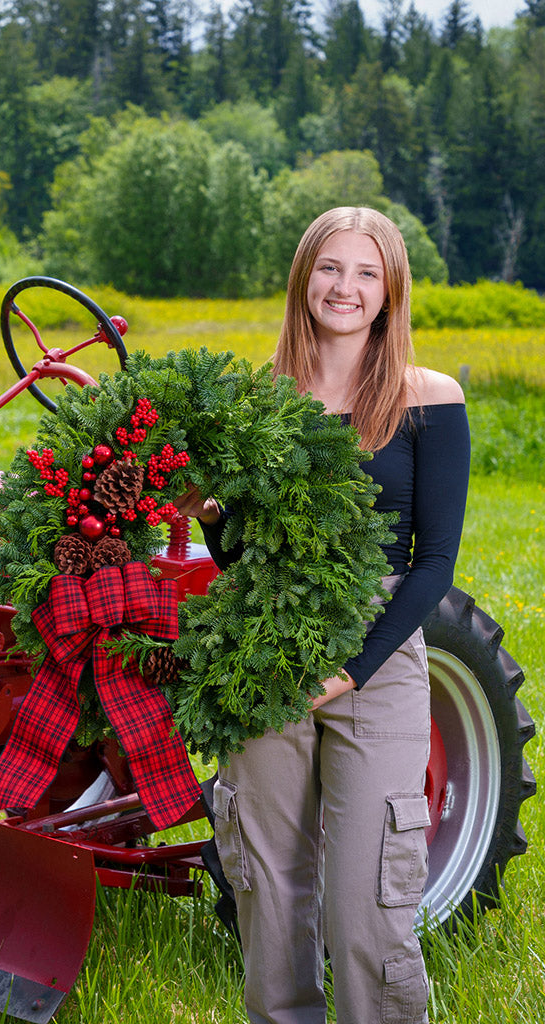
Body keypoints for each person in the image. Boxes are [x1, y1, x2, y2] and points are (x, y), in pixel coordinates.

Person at [175, 206, 470, 1023]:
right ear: (305, 278)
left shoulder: (427, 399)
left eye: (366, 272)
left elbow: (434, 561)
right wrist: (208, 518)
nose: (346, 287)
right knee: (268, 885)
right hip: (264, 647)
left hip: (376, 653)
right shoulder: (258, 400)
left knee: (367, 896)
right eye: (331, 268)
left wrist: (350, 669)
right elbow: (245, 556)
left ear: (391, 290)